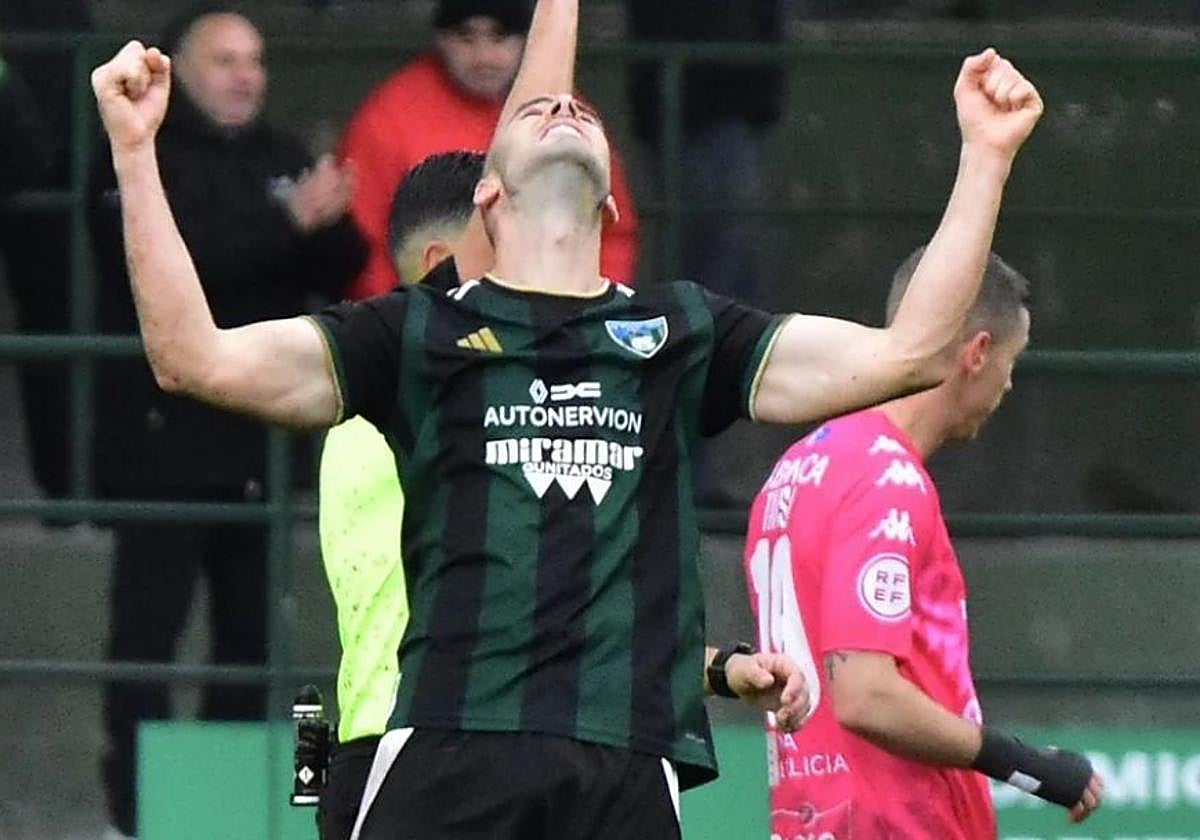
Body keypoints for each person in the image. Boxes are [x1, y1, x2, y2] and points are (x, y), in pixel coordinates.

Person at [90, 0, 1044, 825]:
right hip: (444, 757)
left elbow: (910, 352)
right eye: (537, 111)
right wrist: (136, 155)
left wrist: (986, 159)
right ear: (490, 202)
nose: (558, 107)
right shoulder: (416, 335)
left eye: (576, 110)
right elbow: (192, 357)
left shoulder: (680, 332)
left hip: (623, 768)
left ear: (610, 194)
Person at [316, 150, 811, 840]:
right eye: (504, 238)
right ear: (441, 261)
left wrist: (721, 672)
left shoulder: (395, 405)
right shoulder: (420, 408)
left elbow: (551, 620)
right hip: (425, 754)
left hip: (436, 746)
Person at [86, 6, 366, 837]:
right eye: (226, 60)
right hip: (163, 442)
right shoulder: (144, 155)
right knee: (145, 644)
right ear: (175, 68)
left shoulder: (281, 154)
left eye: (256, 60)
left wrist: (326, 214)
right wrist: (288, 220)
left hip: (265, 446)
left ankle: (224, 816)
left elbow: (343, 265)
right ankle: (133, 818)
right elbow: (186, 266)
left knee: (252, 649)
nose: (247, 75)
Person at [743, 249, 1104, 837]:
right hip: (897, 824)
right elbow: (866, 696)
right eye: (1012, 360)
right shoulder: (889, 481)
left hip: (811, 818)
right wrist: (1022, 762)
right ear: (977, 352)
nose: (1009, 382)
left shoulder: (796, 465)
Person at [337, 0, 640, 298]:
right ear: (441, 38)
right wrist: (404, 328)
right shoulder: (388, 117)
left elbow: (613, 231)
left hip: (554, 327)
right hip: (431, 327)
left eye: (500, 36)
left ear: (525, 39)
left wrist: (591, 316)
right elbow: (363, 245)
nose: (484, 57)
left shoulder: (563, 115)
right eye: (466, 37)